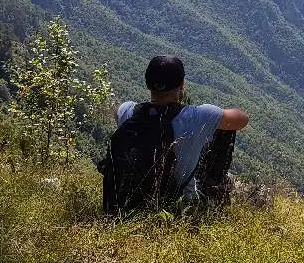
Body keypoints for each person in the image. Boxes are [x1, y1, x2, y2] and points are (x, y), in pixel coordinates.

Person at [101, 56, 249, 215]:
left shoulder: (128, 111)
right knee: (224, 131)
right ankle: (214, 196)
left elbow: (116, 111)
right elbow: (242, 119)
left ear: (147, 83)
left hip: (122, 205)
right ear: (182, 84)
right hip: (175, 208)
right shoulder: (196, 117)